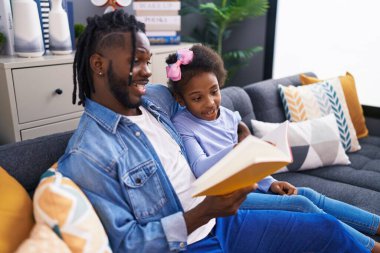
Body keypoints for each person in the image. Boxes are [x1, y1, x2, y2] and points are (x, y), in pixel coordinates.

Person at [57, 9, 369, 253]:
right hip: (190, 242)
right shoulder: (88, 153)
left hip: (223, 222)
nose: (148, 71)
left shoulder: (155, 100)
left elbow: (196, 90)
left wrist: (239, 130)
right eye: (136, 61)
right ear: (98, 64)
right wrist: (203, 212)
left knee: (327, 229)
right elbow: (126, 244)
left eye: (149, 61)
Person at [168, 44, 380, 253]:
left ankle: (376, 224)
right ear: (181, 99)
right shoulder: (183, 124)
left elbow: (250, 164)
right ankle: (370, 247)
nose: (210, 103)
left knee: (308, 194)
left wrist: (271, 183)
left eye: (214, 91)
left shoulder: (228, 116)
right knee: (300, 204)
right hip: (223, 198)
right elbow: (200, 168)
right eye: (197, 98)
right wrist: (237, 149)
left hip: (248, 185)